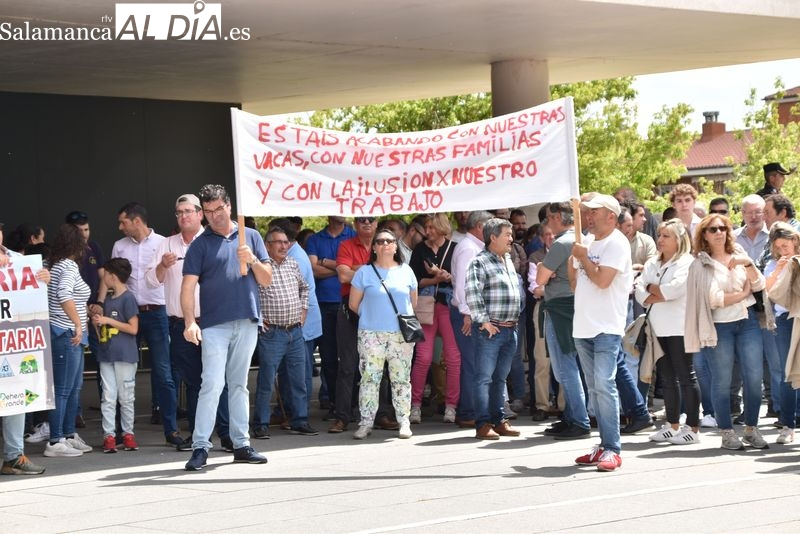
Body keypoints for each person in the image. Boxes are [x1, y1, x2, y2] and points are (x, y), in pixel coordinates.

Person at [181, 184, 272, 471]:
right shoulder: (200, 244)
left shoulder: (252, 236)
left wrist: (252, 259)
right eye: (206, 212)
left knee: (239, 385)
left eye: (217, 210)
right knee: (212, 383)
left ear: (229, 206)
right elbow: (187, 288)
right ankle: (200, 447)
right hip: (214, 325)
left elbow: (267, 279)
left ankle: (241, 444)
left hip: (247, 319)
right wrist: (189, 322)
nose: (212, 216)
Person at [144, 194, 232, 452]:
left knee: (218, 380)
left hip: (213, 322)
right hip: (180, 324)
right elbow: (151, 282)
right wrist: (162, 266)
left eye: (188, 211)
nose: (183, 216)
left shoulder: (214, 240)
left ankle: (226, 434)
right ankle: (198, 437)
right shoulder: (166, 244)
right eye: (178, 212)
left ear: (200, 214)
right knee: (193, 382)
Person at [685, 214, 768, 450]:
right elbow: (714, 300)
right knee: (722, 381)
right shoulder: (700, 264)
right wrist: (742, 294)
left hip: (748, 321)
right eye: (713, 229)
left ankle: (751, 429)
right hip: (719, 326)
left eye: (723, 227)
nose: (719, 232)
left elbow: (759, 284)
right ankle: (726, 432)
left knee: (753, 379)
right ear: (704, 235)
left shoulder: (740, 252)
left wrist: (748, 264)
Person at [107, 202, 185, 449]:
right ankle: (119, 431)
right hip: (127, 312)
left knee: (163, 371)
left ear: (137, 221)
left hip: (157, 313)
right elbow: (113, 280)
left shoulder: (163, 242)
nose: (120, 227)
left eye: (123, 222)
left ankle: (171, 429)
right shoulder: (119, 246)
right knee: (121, 369)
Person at [570, 195, 632, 472]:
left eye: (594, 212)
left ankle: (612, 448)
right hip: (583, 325)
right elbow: (575, 284)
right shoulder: (589, 243)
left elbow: (603, 281)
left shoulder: (617, 242)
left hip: (606, 326)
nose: (589, 217)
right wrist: (578, 259)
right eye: (586, 212)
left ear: (611, 216)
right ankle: (604, 443)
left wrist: (583, 258)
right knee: (595, 388)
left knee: (604, 385)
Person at [635, 219, 700, 445]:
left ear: (679, 239)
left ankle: (693, 428)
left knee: (686, 376)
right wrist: (655, 292)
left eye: (666, 236)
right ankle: (672, 425)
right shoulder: (653, 262)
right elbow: (638, 291)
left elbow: (673, 290)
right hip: (657, 328)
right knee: (667, 378)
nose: (660, 239)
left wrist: (653, 290)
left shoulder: (687, 262)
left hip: (680, 328)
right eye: (660, 235)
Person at [349, 229, 418, 440]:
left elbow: (412, 303)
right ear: (374, 247)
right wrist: (372, 316)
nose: (385, 244)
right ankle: (366, 422)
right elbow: (353, 304)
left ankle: (403, 421)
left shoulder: (407, 271)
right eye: (380, 241)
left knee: (401, 379)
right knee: (370, 378)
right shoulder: (364, 272)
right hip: (371, 334)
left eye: (389, 241)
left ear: (396, 246)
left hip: (400, 334)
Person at [252, 226, 317, 438]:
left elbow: (305, 288)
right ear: (267, 246)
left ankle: (300, 420)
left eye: (286, 242)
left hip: (295, 331)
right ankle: (260, 423)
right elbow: (250, 295)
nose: (284, 246)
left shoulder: (293, 264)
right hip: (273, 334)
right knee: (266, 381)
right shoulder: (261, 267)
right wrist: (260, 319)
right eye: (278, 242)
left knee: (299, 380)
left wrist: (304, 310)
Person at [464, 218, 522, 440]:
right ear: (492, 237)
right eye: (507, 234)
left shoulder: (507, 259)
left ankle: (499, 421)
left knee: (500, 378)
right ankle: (483, 424)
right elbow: (472, 291)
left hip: (510, 328)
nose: (511, 238)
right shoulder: (479, 262)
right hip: (491, 329)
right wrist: (483, 321)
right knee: (484, 378)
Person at [537, 202, 590, 439]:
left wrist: (544, 268)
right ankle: (571, 416)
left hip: (559, 310)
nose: (546, 223)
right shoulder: (581, 240)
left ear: (558, 217)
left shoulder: (561, 244)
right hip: (573, 307)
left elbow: (540, 278)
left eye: (548, 218)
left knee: (564, 367)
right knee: (568, 366)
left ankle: (578, 420)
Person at [0, 226, 47, 474]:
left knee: (15, 399)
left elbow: (33, 294)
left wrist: (44, 280)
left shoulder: (19, 261)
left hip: (14, 342)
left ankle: (13, 456)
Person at [44, 224, 93, 457]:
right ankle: (56, 440)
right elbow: (64, 294)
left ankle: (68, 434)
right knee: (65, 389)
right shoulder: (69, 266)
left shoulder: (54, 265)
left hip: (64, 332)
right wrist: (77, 323)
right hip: (67, 333)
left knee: (72, 388)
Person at [409, 213, 460, 424]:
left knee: (453, 357)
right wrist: (434, 279)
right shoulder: (420, 249)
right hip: (426, 305)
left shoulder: (455, 248)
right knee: (423, 356)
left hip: (448, 305)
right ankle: (415, 405)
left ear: (441, 227)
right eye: (426, 227)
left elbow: (463, 277)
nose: (427, 231)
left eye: (431, 227)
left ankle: (451, 405)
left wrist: (449, 277)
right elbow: (413, 281)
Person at [328, 216, 377, 434]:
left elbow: (390, 274)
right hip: (350, 311)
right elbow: (342, 275)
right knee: (347, 366)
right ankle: (342, 417)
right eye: (362, 220)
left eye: (371, 219)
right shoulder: (346, 244)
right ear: (355, 224)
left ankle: (382, 414)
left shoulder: (384, 243)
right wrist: (372, 271)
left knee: (377, 365)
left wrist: (356, 270)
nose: (367, 222)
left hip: (378, 311)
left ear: (377, 223)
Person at [305, 216, 356, 418]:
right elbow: (312, 270)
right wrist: (342, 269)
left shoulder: (353, 235)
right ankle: (335, 402)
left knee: (350, 357)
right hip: (324, 304)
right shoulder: (315, 239)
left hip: (350, 302)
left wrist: (326, 263)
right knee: (328, 357)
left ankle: (351, 403)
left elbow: (358, 269)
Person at [449, 210, 494, 429]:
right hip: (467, 315)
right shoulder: (468, 248)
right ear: (479, 227)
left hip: (472, 313)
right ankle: (468, 411)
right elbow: (463, 286)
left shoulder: (475, 247)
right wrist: (467, 313)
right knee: (473, 363)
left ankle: (473, 409)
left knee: (476, 363)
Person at [91, 258, 140, 453]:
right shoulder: (109, 299)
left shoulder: (128, 298)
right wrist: (98, 323)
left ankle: (128, 434)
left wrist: (108, 321)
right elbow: (103, 329)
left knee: (126, 396)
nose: (104, 279)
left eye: (106, 276)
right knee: (108, 397)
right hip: (107, 353)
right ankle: (109, 435)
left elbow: (133, 328)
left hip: (125, 355)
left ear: (112, 276)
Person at [764, 222, 800, 444]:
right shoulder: (772, 264)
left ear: (795, 241)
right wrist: (779, 268)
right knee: (787, 373)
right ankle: (788, 424)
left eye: (786, 245)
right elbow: (768, 290)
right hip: (785, 320)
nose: (783, 250)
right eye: (778, 247)